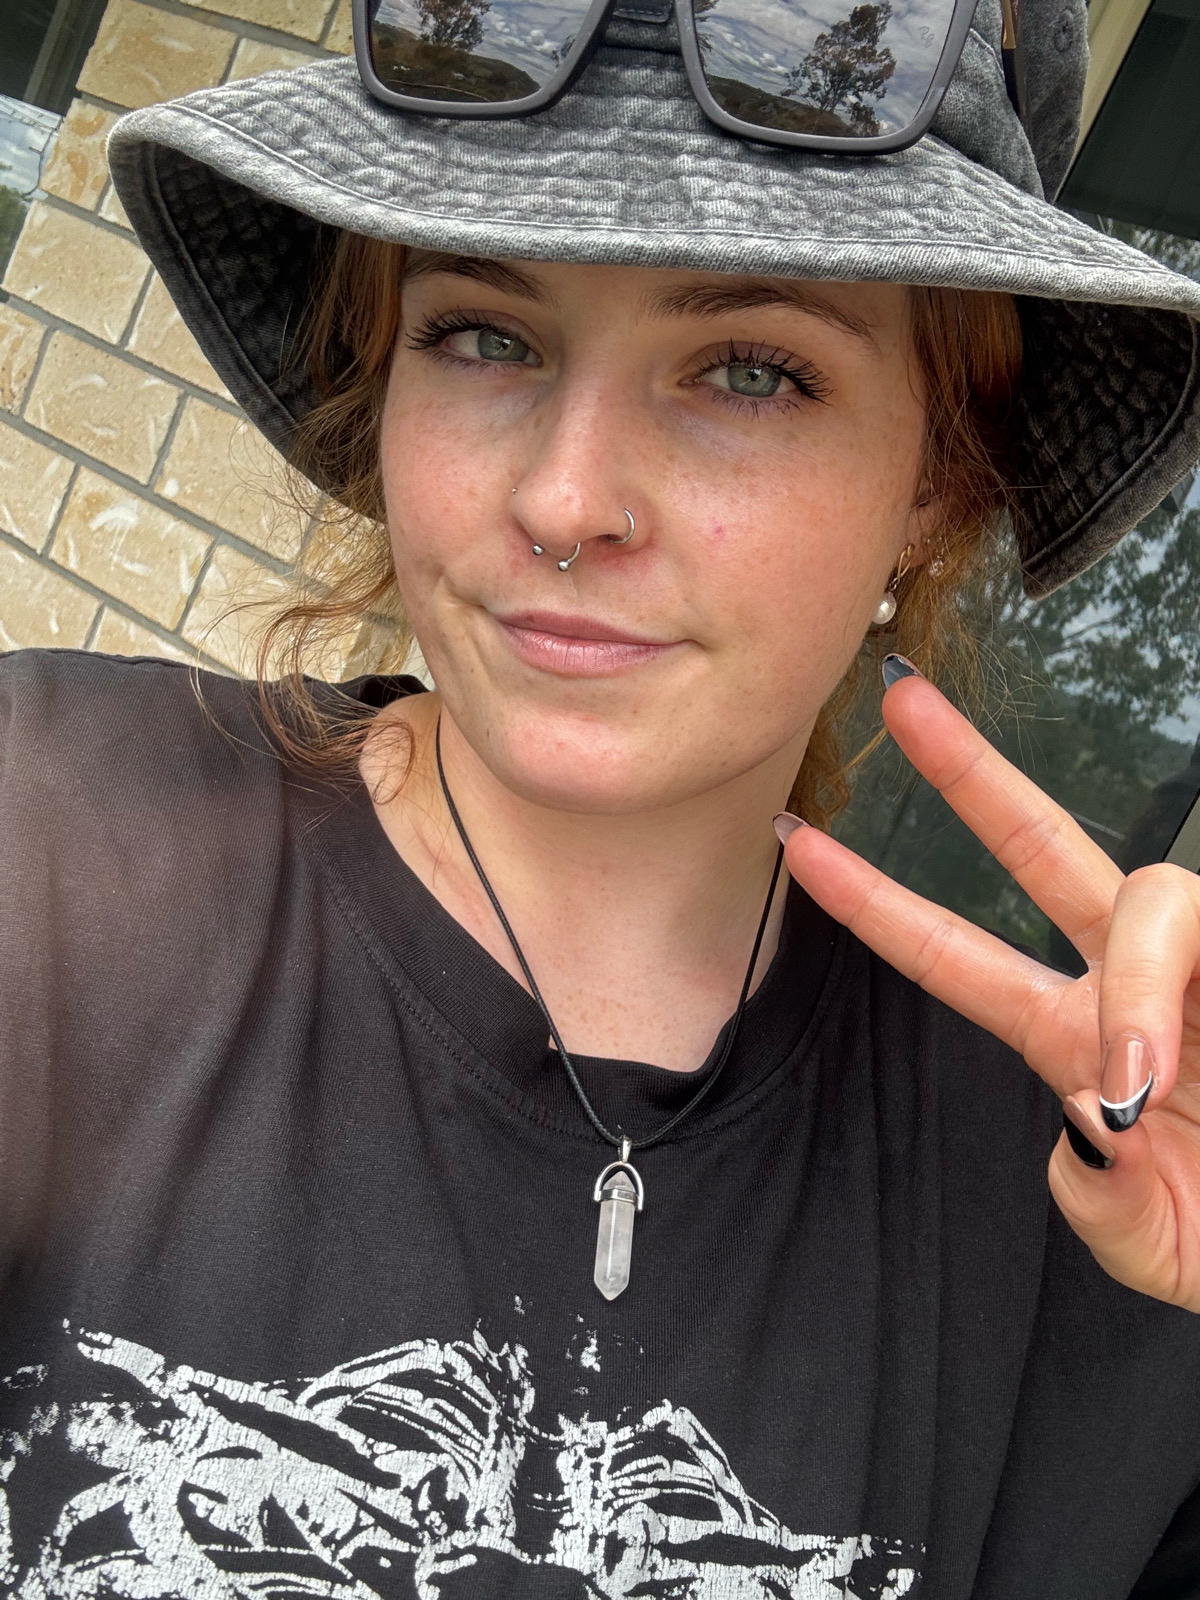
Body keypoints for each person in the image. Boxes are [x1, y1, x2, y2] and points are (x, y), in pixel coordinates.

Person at [3, 0, 1200, 1591]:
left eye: (751, 371)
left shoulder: (1099, 1200)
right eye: (483, 334)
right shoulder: (47, 843)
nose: (565, 499)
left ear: (936, 481)